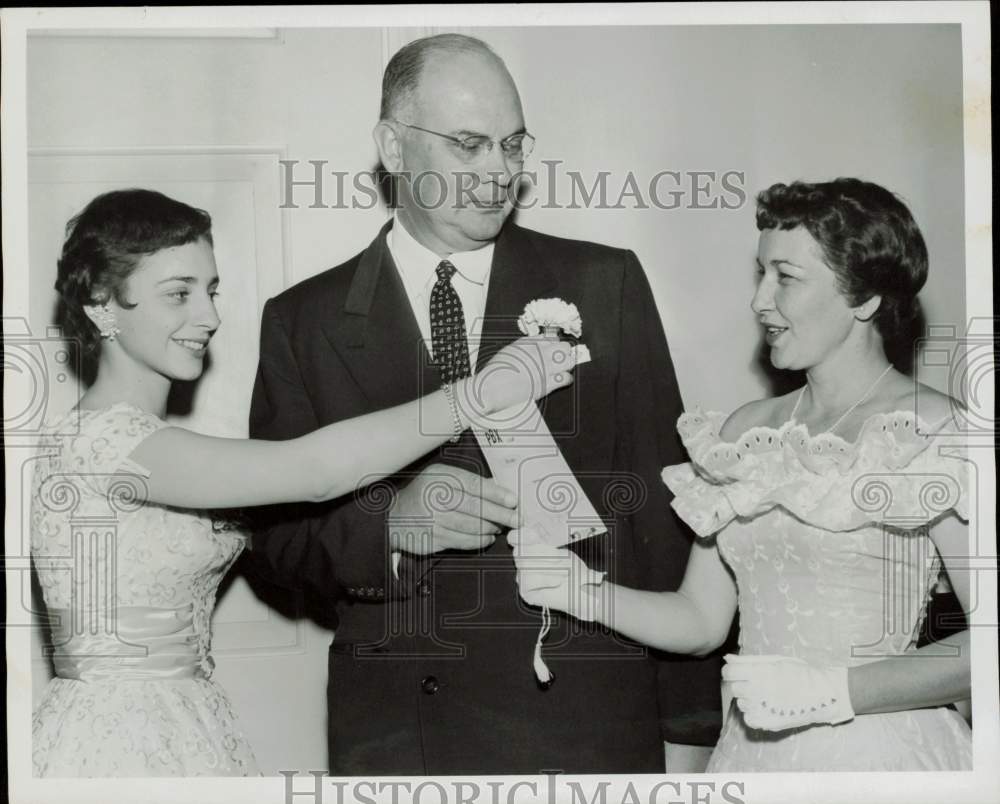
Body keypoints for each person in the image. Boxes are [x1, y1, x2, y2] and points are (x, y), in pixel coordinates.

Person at [247, 33, 715, 775]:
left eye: (513, 145)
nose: (499, 172)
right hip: (402, 733)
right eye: (469, 145)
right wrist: (390, 524)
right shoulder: (302, 319)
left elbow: (671, 519)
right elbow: (273, 542)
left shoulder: (605, 284)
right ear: (393, 148)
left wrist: (691, 733)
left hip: (583, 722)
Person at [30, 188, 571, 777]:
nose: (208, 317)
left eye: (210, 291)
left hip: (189, 721)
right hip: (119, 739)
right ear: (103, 304)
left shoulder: (158, 444)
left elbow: (294, 519)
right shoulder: (103, 445)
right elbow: (314, 472)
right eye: (178, 294)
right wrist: (474, 395)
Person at [514, 178, 974, 771]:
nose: (760, 301)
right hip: (751, 757)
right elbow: (701, 621)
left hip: (878, 756)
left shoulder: (935, 431)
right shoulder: (743, 433)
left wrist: (833, 691)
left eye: (786, 276)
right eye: (761, 274)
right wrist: (579, 590)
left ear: (864, 299)